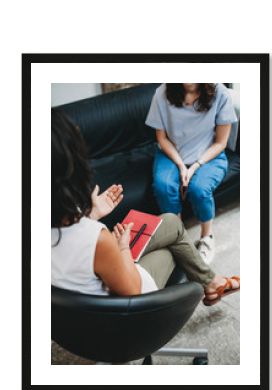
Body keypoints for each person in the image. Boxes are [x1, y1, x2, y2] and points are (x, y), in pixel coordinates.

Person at [51, 109, 239, 306]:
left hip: (92, 289)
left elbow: (73, 249)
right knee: (173, 249)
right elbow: (132, 291)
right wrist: (122, 247)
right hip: (125, 308)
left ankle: (211, 283)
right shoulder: (98, 239)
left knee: (171, 222)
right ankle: (211, 284)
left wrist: (92, 214)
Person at [145, 83, 238, 264]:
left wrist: (195, 166)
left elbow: (221, 143)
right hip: (172, 153)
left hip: (209, 154)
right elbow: (161, 138)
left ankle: (207, 237)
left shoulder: (221, 94)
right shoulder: (161, 93)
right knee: (163, 186)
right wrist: (181, 166)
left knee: (199, 189)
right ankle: (178, 238)